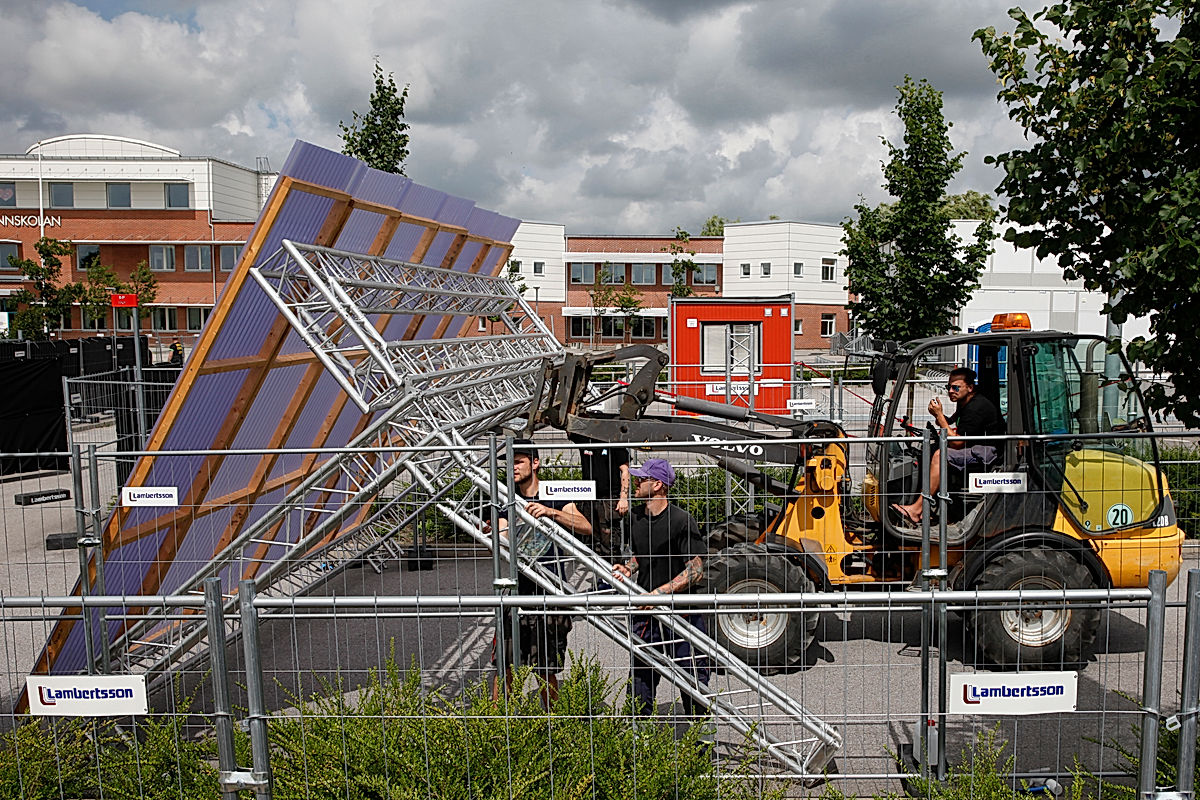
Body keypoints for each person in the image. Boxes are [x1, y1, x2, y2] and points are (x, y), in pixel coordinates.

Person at [490, 439, 592, 705]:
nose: (512, 467)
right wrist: (496, 532)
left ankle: (551, 725)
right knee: (505, 665)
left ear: (535, 463)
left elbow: (585, 526)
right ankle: (500, 725)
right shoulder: (506, 498)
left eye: (519, 461)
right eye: (508, 462)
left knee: (545, 667)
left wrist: (551, 512)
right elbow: (501, 532)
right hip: (516, 592)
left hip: (550, 591)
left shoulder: (553, 492)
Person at [611, 458, 710, 716]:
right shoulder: (635, 518)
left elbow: (696, 570)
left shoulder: (681, 520)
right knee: (640, 685)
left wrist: (659, 594)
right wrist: (628, 568)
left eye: (641, 478)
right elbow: (641, 556)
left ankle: (701, 749)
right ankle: (639, 747)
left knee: (693, 684)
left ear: (657, 485)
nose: (635, 481)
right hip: (646, 615)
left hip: (682, 614)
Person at [892, 367, 1003, 524]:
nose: (951, 391)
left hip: (986, 452)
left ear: (970, 387)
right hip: (973, 447)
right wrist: (937, 415)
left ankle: (917, 510)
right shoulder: (965, 401)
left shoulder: (977, 407)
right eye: (948, 387)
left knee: (940, 455)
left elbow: (957, 443)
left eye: (955, 387)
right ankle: (928, 506)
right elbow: (949, 423)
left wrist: (938, 415)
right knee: (930, 450)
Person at [571, 434, 630, 557]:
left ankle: (614, 573)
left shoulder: (613, 441)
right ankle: (598, 573)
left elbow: (625, 471)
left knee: (609, 541)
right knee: (591, 540)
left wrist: (623, 498)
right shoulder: (584, 439)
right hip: (588, 497)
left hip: (608, 498)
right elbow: (567, 428)